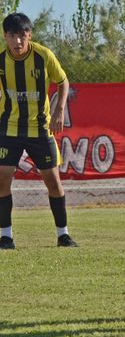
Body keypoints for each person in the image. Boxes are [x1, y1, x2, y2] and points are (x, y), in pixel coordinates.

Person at [0, 13, 76, 250]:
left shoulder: (44, 56)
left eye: (22, 36)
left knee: (53, 181)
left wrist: (59, 110)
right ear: (5, 37)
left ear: (29, 35)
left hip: (40, 127)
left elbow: (63, 82)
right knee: (3, 176)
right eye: (12, 36)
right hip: (10, 127)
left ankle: (63, 235)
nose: (18, 42)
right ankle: (6, 236)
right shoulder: (1, 61)